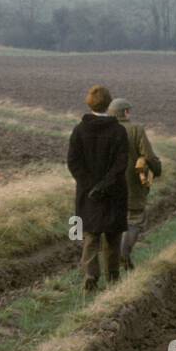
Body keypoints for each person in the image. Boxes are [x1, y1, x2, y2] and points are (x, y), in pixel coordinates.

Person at [67, 84, 129, 292]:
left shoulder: (79, 130)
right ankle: (113, 278)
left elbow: (73, 163)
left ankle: (91, 277)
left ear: (89, 103)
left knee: (91, 236)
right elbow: (121, 165)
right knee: (113, 237)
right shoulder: (119, 131)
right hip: (114, 193)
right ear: (109, 104)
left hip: (88, 194)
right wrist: (104, 186)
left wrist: (90, 186)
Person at [107, 98, 161, 270]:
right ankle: (124, 253)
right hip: (132, 184)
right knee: (134, 220)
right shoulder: (136, 130)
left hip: (107, 186)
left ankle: (110, 262)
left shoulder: (103, 130)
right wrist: (157, 169)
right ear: (126, 112)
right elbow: (149, 156)